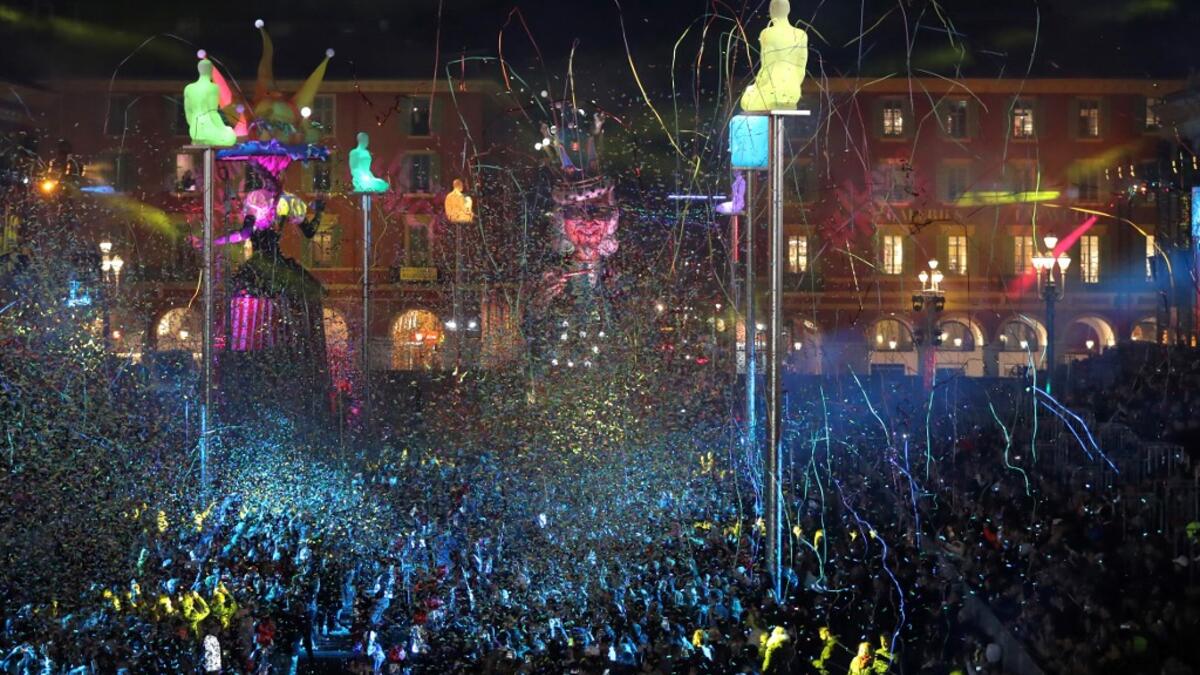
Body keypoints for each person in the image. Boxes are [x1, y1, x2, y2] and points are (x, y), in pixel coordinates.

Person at [183, 59, 237, 146]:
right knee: (231, 136)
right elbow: (212, 112)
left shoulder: (188, 88)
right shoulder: (213, 88)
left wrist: (195, 127)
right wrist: (222, 128)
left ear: (199, 70)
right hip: (207, 128)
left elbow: (188, 114)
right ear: (211, 71)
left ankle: (198, 139)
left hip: (194, 130)